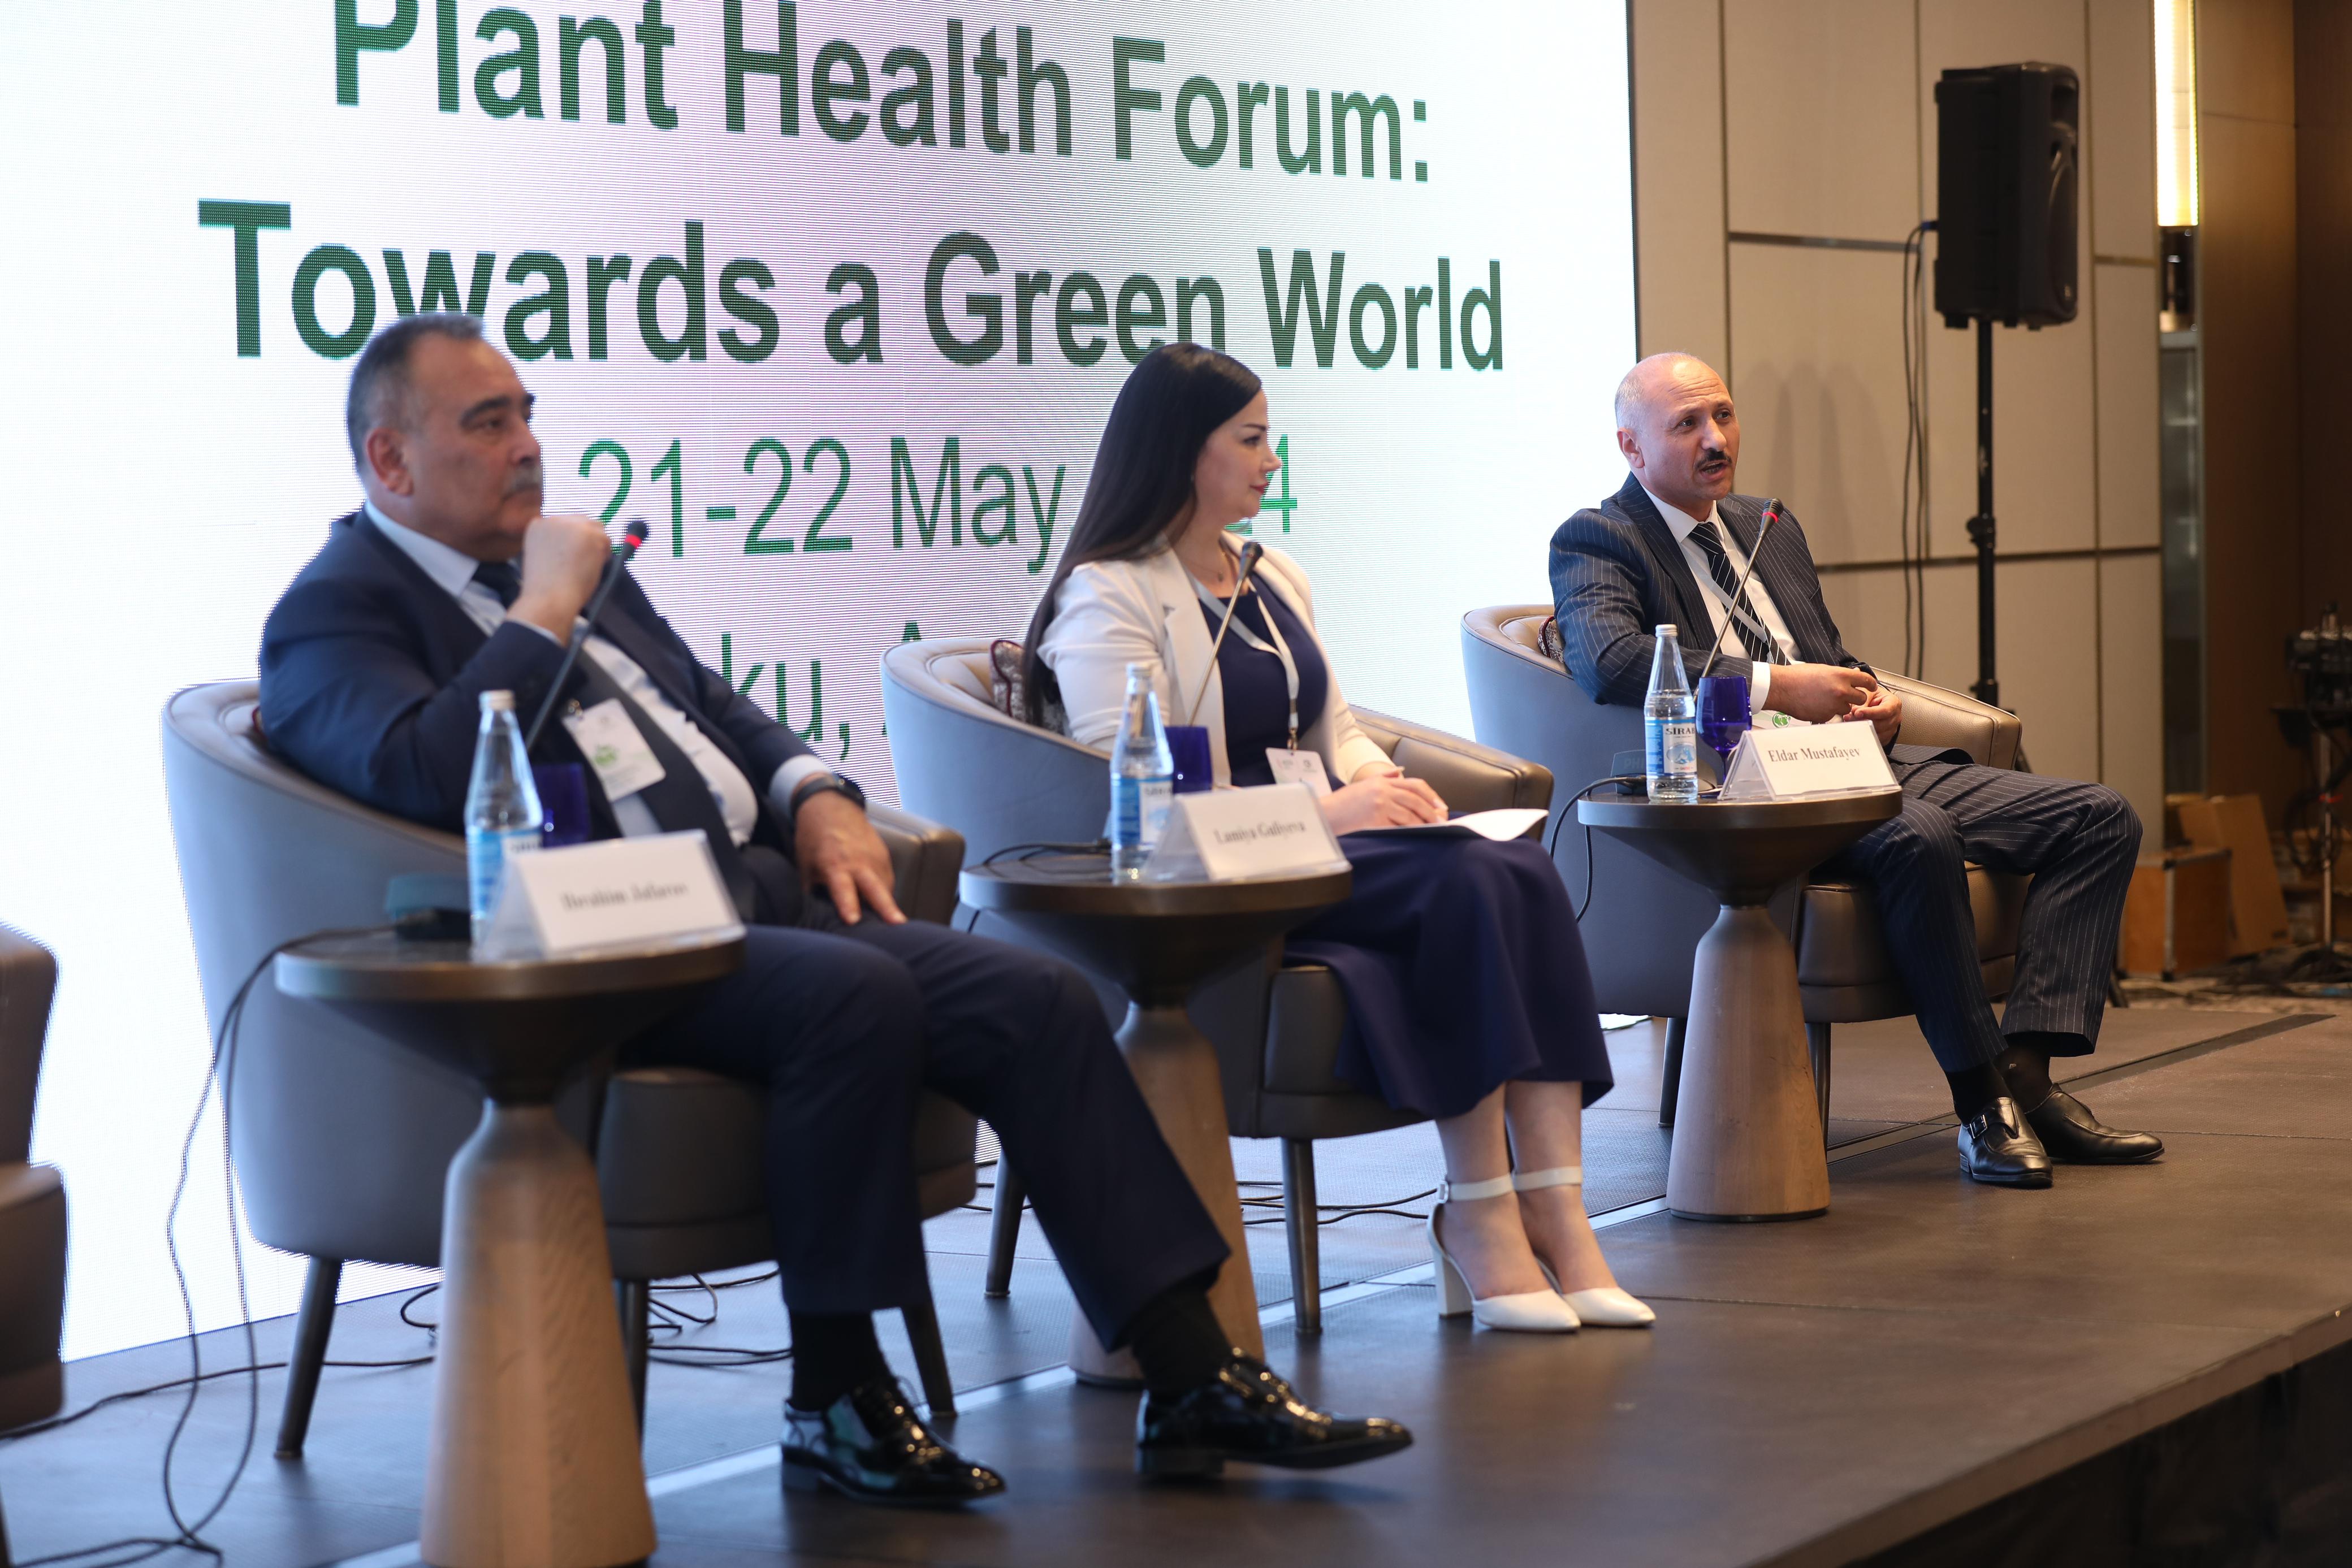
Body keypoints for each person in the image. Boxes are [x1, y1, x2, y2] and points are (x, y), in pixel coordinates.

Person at [258, 314, 1411, 1506]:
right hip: (587, 954)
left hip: (744, 906)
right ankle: (837, 1396)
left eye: (528, 414)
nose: (528, 447)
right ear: (389, 458)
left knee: (1035, 995)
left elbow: (719, 707)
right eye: (488, 423)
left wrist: (816, 793)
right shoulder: (340, 610)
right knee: (853, 994)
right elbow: (423, 770)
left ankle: (1189, 1373)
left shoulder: (566, 572)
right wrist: (541, 615)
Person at [1024, 344, 1651, 1335]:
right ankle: (1480, 1215)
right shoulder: (1108, 592)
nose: (1271, 460)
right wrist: (1330, 816)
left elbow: (1335, 729)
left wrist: (1375, 782)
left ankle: (1560, 1215)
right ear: (1182, 451)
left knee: (1519, 867)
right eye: (1251, 440)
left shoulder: (1272, 573)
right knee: (1466, 882)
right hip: (1217, 876)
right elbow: (1130, 791)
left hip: (1319, 848)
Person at [1549, 351, 2161, 1188]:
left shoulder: (1766, 524)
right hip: (1749, 787)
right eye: (1686, 424)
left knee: (2099, 817)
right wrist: (1777, 688)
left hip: (1855, 759)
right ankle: (1982, 1102)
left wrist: (1876, 701)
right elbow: (1612, 661)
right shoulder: (1600, 537)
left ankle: (2027, 1074)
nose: (1715, 439)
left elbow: (1825, 655)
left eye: (1723, 415)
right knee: (1920, 834)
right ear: (1631, 446)